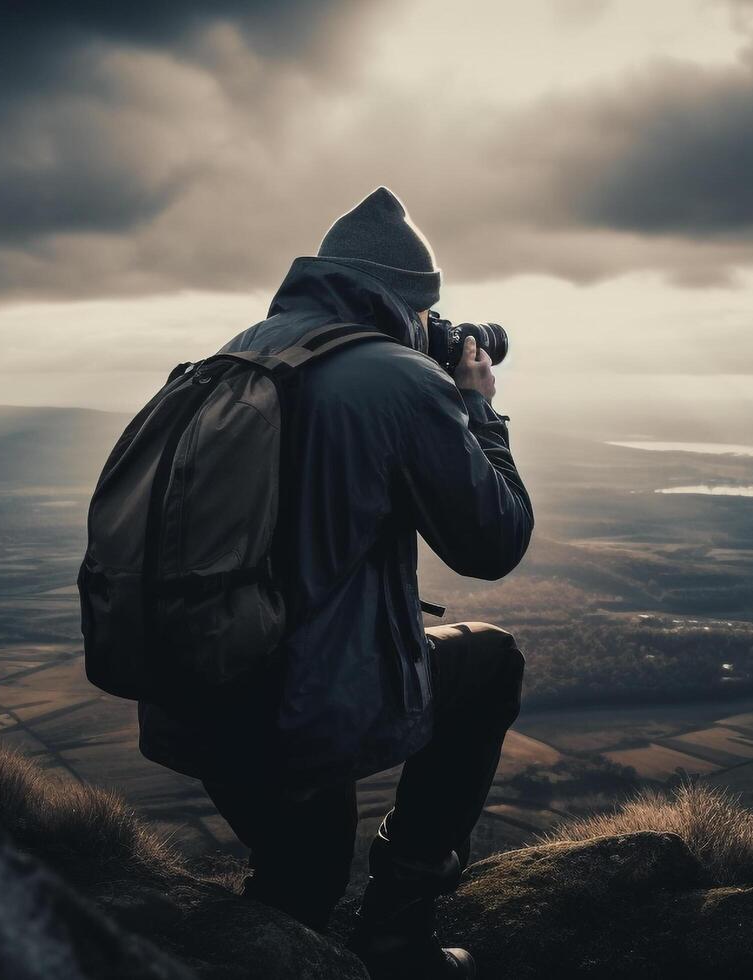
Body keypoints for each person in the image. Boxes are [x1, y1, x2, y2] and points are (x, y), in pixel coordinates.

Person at [137, 187, 533, 979]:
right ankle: (397, 930)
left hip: (192, 686)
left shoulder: (238, 353)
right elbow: (493, 542)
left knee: (298, 886)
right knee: (489, 664)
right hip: (301, 710)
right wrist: (478, 407)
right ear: (410, 303)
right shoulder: (396, 379)